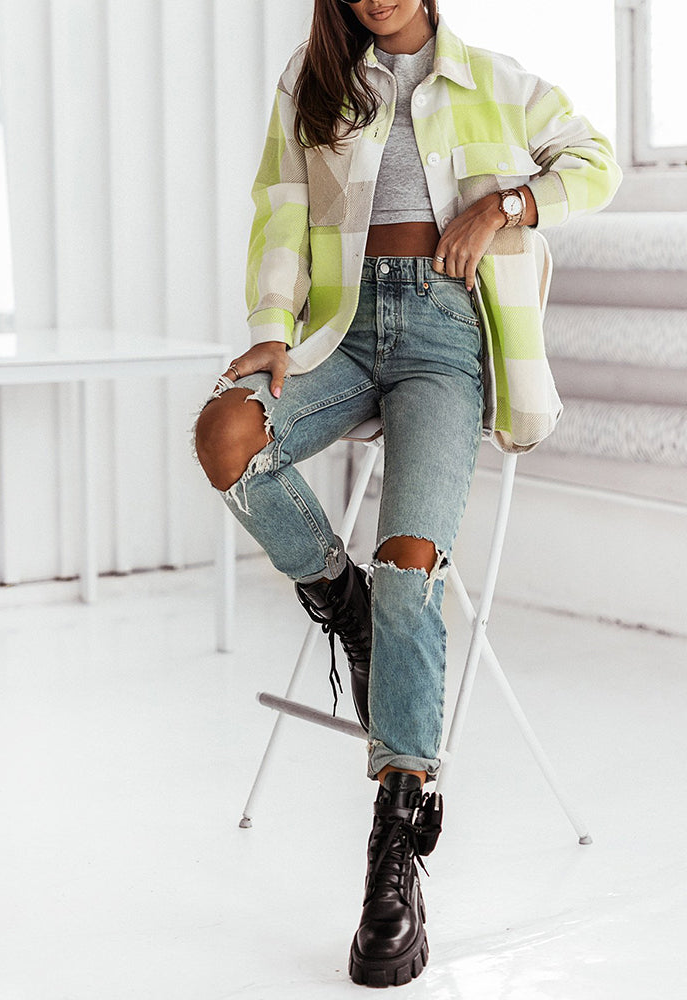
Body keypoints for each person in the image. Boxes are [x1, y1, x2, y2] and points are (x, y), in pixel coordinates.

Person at [194, 0, 621, 987]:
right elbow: (280, 206)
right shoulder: (314, 83)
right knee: (227, 435)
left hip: (443, 337)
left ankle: (395, 849)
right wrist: (269, 326)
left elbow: (596, 162)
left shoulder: (494, 79)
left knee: (411, 566)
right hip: (336, 332)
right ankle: (341, 601)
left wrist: (504, 205)